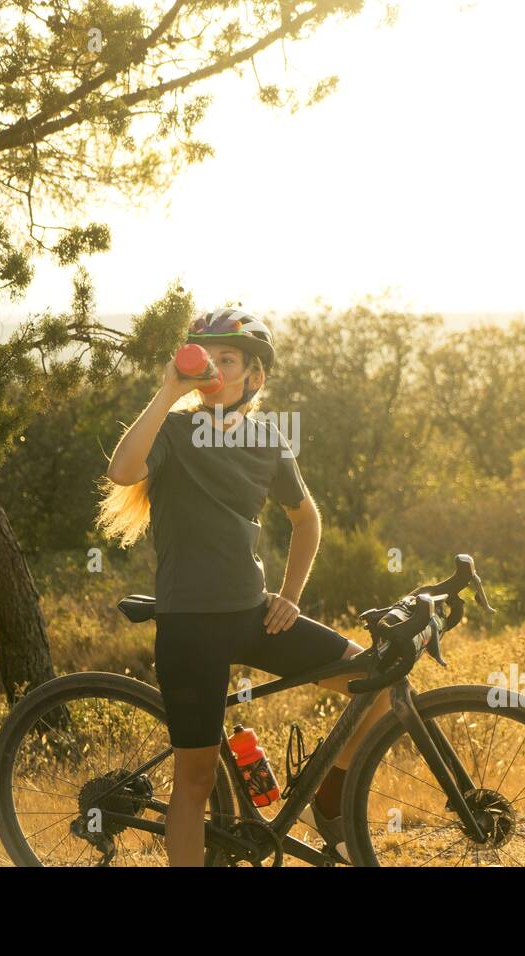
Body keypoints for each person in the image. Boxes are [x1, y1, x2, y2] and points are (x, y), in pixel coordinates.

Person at [97, 306, 393, 866]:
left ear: (253, 376)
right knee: (195, 781)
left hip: (254, 616)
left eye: (226, 358)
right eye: (206, 355)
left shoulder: (267, 439)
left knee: (374, 683)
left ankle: (328, 803)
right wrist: (167, 392)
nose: (212, 365)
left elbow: (306, 520)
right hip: (189, 629)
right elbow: (122, 471)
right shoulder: (176, 430)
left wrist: (290, 596)